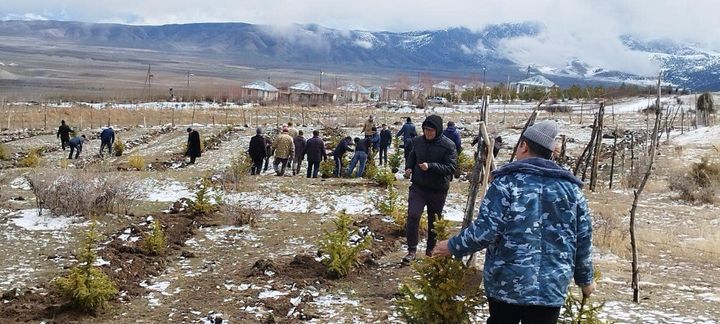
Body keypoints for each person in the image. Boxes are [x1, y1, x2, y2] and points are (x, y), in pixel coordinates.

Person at [432, 120, 595, 324]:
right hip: (550, 288)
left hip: (507, 285)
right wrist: (585, 279)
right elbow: (583, 238)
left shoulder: (506, 183)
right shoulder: (571, 191)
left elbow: (486, 230)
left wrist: (452, 246)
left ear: (523, 146)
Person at [402, 115, 457, 263]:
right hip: (418, 187)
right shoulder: (418, 142)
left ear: (438, 130)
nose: (428, 133)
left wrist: (430, 166)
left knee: (434, 221)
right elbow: (412, 156)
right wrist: (408, 168)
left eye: (431, 130)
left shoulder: (448, 145)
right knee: (413, 215)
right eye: (425, 130)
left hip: (437, 190)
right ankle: (411, 250)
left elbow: (451, 167)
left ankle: (430, 250)